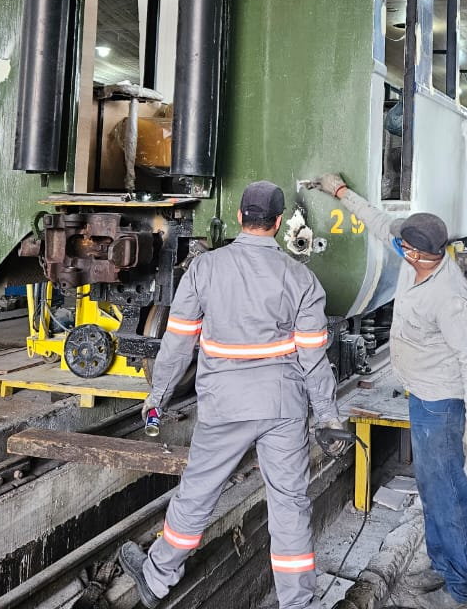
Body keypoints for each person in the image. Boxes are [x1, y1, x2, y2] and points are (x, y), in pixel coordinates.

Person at [118, 182, 341, 609]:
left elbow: (178, 344)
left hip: (224, 405)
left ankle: (158, 576)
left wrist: (157, 397)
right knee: (290, 504)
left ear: (239, 217)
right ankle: (299, 603)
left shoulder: (204, 270)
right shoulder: (302, 279)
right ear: (278, 224)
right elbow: (315, 359)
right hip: (283, 407)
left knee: (199, 490)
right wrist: (329, 415)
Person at [313, 171, 467, 609]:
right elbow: (379, 223)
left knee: (448, 492)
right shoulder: (417, 254)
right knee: (431, 488)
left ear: (423, 254)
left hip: (441, 404)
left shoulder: (448, 296)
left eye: (407, 251)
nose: (402, 252)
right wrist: (339, 192)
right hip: (421, 395)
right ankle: (441, 564)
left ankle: (466, 591)